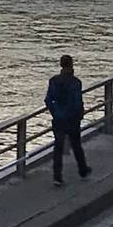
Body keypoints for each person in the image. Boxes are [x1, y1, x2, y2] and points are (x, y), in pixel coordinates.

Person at [45, 54, 90, 184]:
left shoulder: (54, 81)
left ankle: (57, 176)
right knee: (76, 144)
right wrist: (79, 113)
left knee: (58, 146)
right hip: (72, 118)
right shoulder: (75, 82)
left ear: (60, 65)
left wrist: (55, 112)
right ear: (71, 65)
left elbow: (48, 99)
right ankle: (82, 169)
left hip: (59, 118)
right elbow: (77, 100)